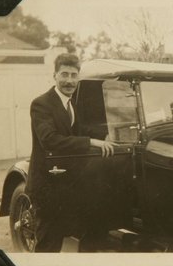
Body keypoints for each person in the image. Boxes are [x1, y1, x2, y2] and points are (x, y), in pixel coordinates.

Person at [25, 53, 116, 252]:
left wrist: (107, 135)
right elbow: (50, 139)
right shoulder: (41, 104)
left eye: (74, 75)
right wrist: (92, 142)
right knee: (48, 244)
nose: (69, 81)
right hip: (47, 186)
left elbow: (78, 129)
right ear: (54, 75)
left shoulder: (71, 103)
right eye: (64, 74)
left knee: (80, 235)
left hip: (67, 184)